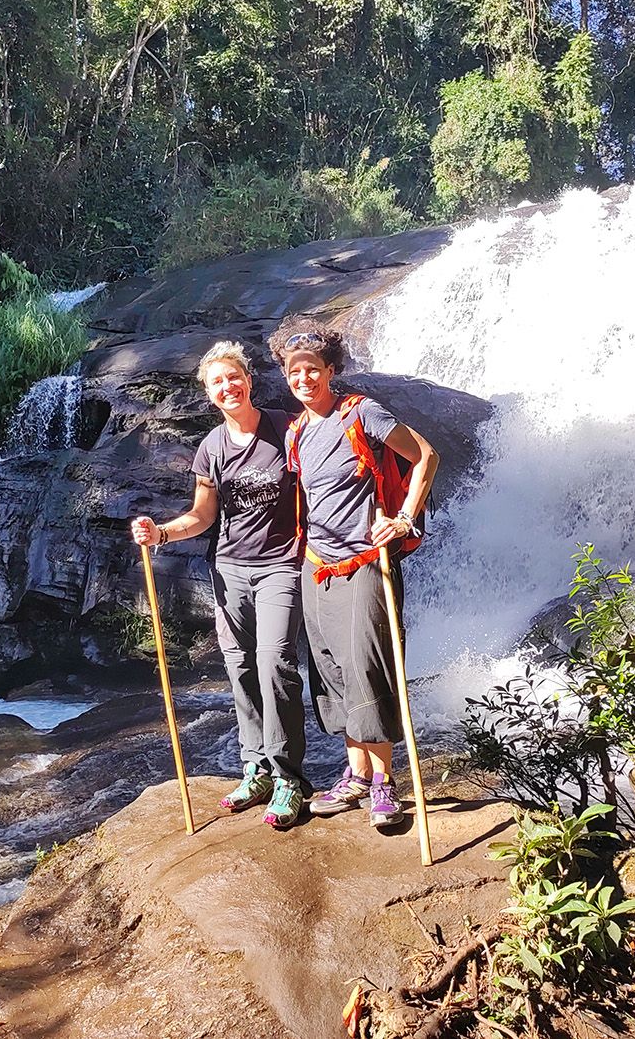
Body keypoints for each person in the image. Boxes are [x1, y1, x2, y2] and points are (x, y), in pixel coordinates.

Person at [130, 341, 308, 829]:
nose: (228, 387)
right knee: (240, 666)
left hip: (281, 566)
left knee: (276, 663)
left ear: (248, 380)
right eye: (217, 382)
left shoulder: (286, 428)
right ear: (208, 393)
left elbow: (322, 480)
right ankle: (256, 769)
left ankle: (288, 777)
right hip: (229, 568)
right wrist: (161, 533)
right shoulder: (211, 447)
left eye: (234, 377)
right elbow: (203, 515)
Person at [268, 320, 438, 829]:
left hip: (366, 563)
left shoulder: (361, 412)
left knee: (368, 666)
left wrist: (404, 517)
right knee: (331, 670)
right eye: (294, 372)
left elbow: (426, 455)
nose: (303, 378)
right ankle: (357, 775)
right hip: (317, 566)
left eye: (312, 369)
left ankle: (385, 782)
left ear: (330, 370)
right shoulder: (297, 431)